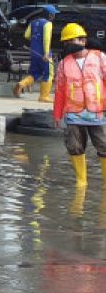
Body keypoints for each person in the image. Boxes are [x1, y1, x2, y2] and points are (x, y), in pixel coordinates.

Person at [53, 22, 106, 188]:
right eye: (66, 42)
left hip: (97, 112)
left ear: (83, 40)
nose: (68, 45)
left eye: (72, 40)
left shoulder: (100, 58)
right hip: (73, 114)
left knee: (104, 146)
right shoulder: (63, 64)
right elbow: (60, 90)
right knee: (74, 146)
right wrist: (57, 115)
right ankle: (81, 182)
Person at [14, 5, 57, 101]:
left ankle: (22, 83)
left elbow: (26, 35)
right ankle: (44, 96)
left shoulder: (33, 22)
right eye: (53, 14)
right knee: (48, 74)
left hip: (34, 52)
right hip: (44, 54)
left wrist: (35, 40)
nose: (54, 16)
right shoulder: (48, 24)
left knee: (35, 73)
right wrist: (46, 53)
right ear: (49, 15)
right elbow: (46, 39)